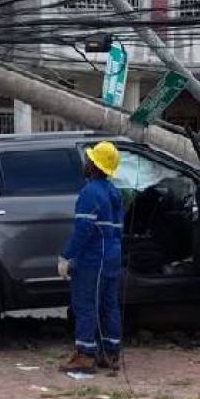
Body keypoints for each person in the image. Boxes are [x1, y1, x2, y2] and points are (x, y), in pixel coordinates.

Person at [57, 141, 125, 375]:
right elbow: (117, 230)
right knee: (109, 305)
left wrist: (66, 256)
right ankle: (111, 353)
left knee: (85, 305)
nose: (86, 162)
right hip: (113, 256)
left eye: (90, 160)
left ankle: (85, 356)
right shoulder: (114, 192)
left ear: (94, 166)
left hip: (94, 259)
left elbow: (83, 230)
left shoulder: (90, 192)